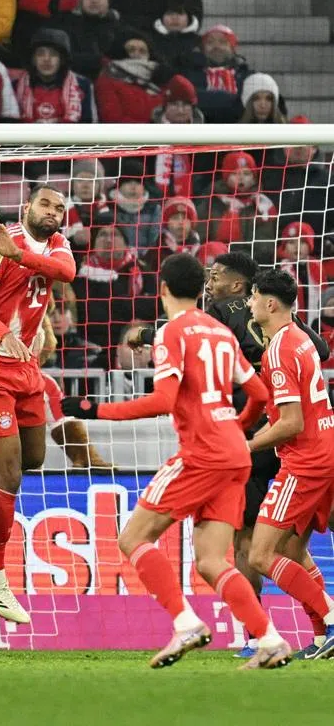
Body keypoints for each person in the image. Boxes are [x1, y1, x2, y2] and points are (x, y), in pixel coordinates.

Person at [61, 252, 290, 670]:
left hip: (202, 453)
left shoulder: (171, 333)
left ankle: (185, 622)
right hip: (234, 454)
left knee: (132, 539)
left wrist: (93, 411)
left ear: (162, 289)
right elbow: (259, 393)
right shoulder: (220, 332)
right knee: (210, 560)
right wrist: (237, 427)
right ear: (199, 288)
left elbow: (163, 401)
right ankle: (270, 639)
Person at [125, 250, 330, 657]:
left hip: (257, 440)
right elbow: (321, 350)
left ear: (243, 287)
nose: (210, 283)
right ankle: (321, 631)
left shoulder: (220, 317)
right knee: (291, 547)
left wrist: (147, 334)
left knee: (250, 546)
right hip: (299, 442)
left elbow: (190, 334)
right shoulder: (297, 332)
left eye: (216, 276)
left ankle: (261, 635)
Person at [0, 182, 76, 624]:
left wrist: (20, 257)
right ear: (27, 206)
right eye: (45, 203)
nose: (53, 212)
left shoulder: (57, 247)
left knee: (34, 458)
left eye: (60, 208)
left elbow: (67, 274)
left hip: (25, 369)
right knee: (9, 473)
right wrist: (2, 332)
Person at [244, 269, 334, 660]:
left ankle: (331, 620)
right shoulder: (301, 340)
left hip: (305, 461)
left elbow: (291, 423)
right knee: (296, 552)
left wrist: (244, 445)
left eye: (252, 297)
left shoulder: (279, 351)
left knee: (260, 555)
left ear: (270, 303)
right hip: (325, 449)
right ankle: (320, 636)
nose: (249, 304)